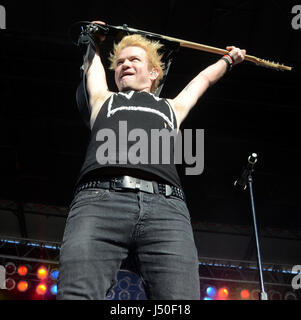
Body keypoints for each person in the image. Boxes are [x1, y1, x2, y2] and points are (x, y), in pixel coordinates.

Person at [57, 20, 246, 300]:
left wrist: (229, 60)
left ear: (154, 72)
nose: (125, 64)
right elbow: (92, 67)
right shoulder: (103, 100)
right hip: (100, 200)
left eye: (134, 59)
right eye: (120, 62)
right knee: (77, 295)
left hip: (166, 209)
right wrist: (93, 39)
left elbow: (203, 80)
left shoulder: (171, 107)